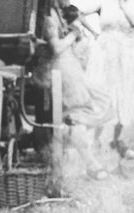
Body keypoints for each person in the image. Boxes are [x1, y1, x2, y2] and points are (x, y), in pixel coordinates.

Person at [45, 0, 113, 179]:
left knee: (102, 101)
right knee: (78, 112)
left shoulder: (59, 14)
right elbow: (56, 48)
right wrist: (74, 34)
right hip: (61, 66)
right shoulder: (49, 17)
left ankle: (77, 146)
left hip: (70, 65)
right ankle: (90, 163)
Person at [83, 0, 134, 124]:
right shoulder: (104, 4)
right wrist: (93, 32)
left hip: (125, 52)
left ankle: (116, 134)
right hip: (105, 49)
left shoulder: (132, 6)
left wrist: (123, 6)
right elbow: (79, 14)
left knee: (123, 87)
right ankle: (97, 129)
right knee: (102, 83)